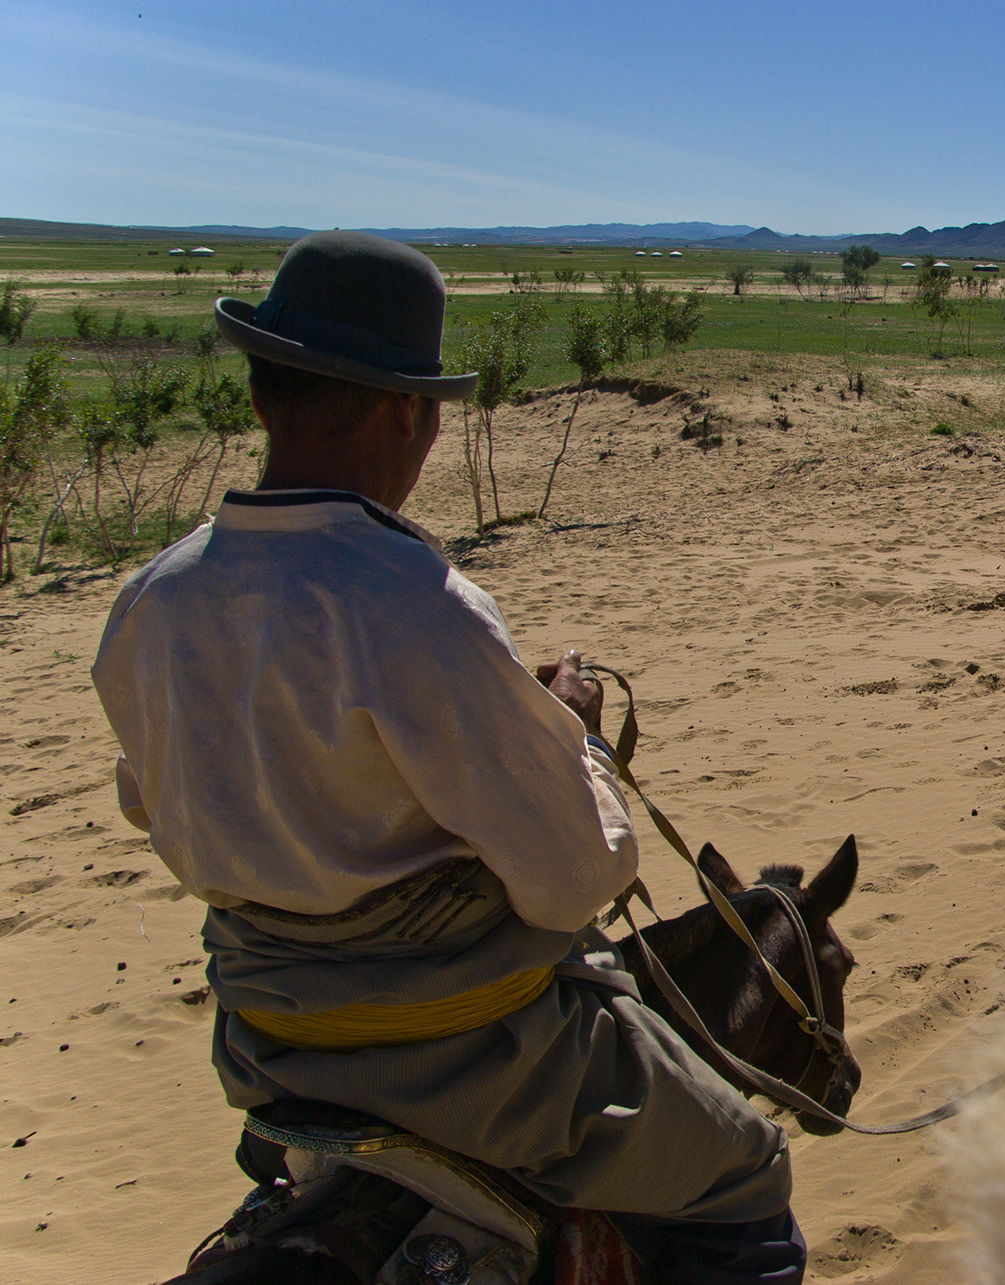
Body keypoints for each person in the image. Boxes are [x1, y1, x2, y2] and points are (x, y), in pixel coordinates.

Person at [91, 231, 804, 1281]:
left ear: (259, 398)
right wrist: (576, 737)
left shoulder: (150, 602)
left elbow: (151, 801)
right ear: (406, 413)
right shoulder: (418, 604)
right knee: (746, 1176)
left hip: (268, 1046)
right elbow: (577, 880)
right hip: (473, 1060)